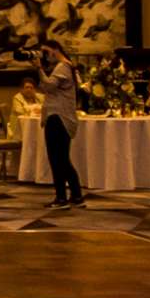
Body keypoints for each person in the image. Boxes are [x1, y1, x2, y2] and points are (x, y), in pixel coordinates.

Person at [38, 40, 85, 206]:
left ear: (55, 50)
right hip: (61, 116)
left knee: (57, 159)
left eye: (46, 51)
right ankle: (76, 196)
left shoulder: (62, 66)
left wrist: (38, 68)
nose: (44, 56)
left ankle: (61, 197)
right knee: (62, 159)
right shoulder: (67, 66)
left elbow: (49, 86)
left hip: (58, 117)